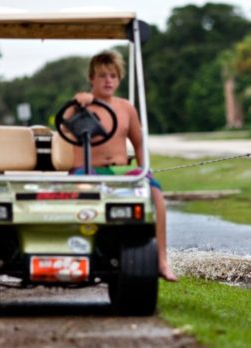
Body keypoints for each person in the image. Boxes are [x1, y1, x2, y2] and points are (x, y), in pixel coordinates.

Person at [68, 50, 178, 281]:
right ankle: (81, 254)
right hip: (88, 170)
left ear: (119, 79)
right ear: (91, 79)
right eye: (102, 76)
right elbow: (66, 128)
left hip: (120, 171)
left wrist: (145, 171)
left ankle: (161, 260)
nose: (108, 80)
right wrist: (77, 103)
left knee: (155, 193)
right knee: (85, 198)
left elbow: (138, 144)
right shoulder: (80, 106)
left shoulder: (126, 108)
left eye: (113, 76)